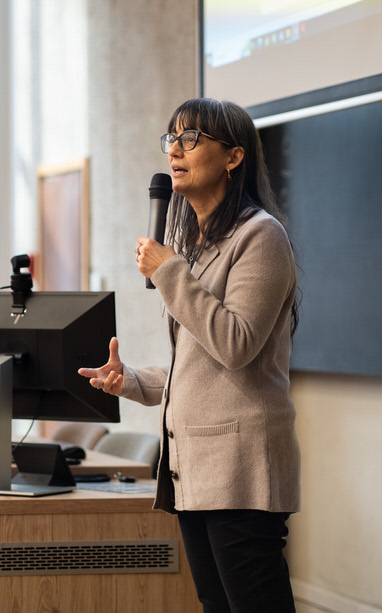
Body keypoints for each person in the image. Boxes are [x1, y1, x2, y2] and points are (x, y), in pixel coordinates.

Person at [78, 98, 301, 613]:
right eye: (172, 138)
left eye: (191, 139)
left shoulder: (261, 236)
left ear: (233, 157)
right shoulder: (202, 245)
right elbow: (198, 367)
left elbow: (237, 343)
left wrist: (168, 271)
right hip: (195, 472)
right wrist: (129, 379)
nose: (175, 150)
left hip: (242, 472)